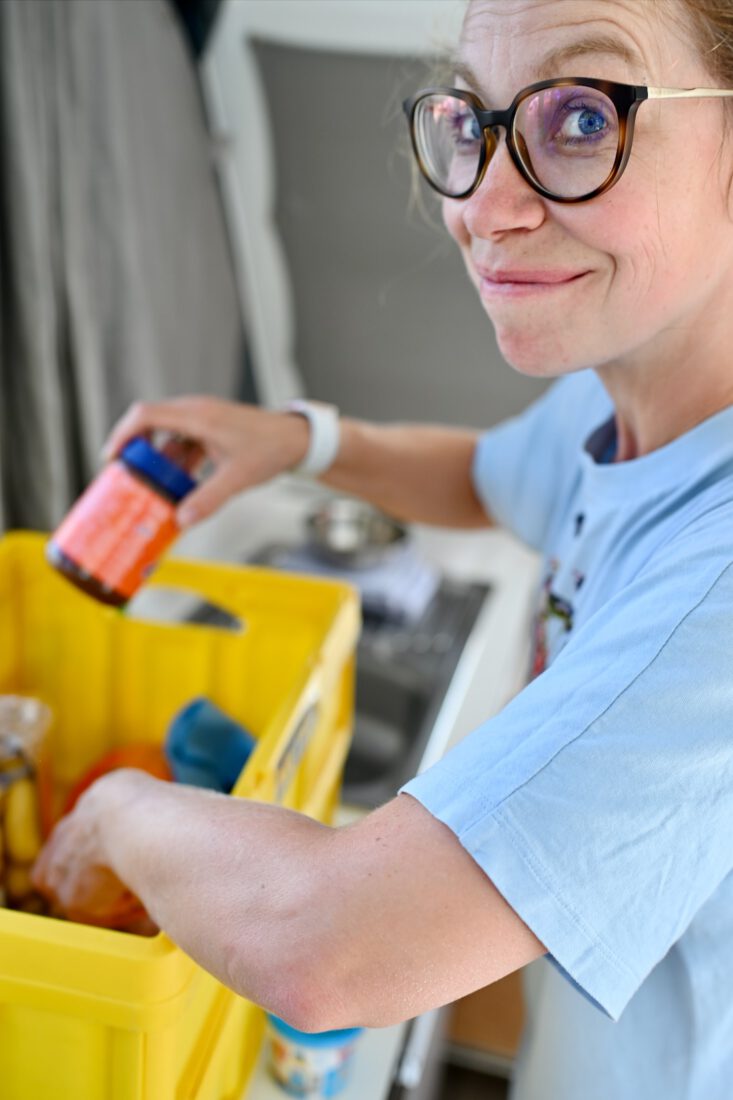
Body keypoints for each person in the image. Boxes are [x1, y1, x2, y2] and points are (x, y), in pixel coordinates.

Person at [32, 1, 733, 1096]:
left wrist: (114, 810)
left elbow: (330, 947)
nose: (482, 208)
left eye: (583, 121)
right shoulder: (630, 389)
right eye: (473, 121)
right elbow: (488, 475)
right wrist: (298, 441)